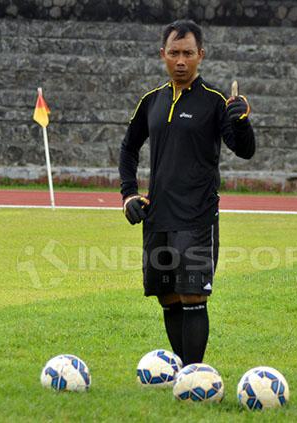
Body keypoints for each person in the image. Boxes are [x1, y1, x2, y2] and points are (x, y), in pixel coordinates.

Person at [118, 20, 255, 365]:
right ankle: (182, 371)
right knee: (167, 297)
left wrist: (242, 121)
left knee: (193, 295)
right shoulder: (151, 101)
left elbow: (244, 150)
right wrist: (129, 195)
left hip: (197, 215)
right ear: (163, 54)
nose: (181, 60)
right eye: (174, 53)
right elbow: (128, 148)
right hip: (158, 214)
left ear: (201, 56)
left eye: (188, 53)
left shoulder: (216, 101)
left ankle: (194, 375)